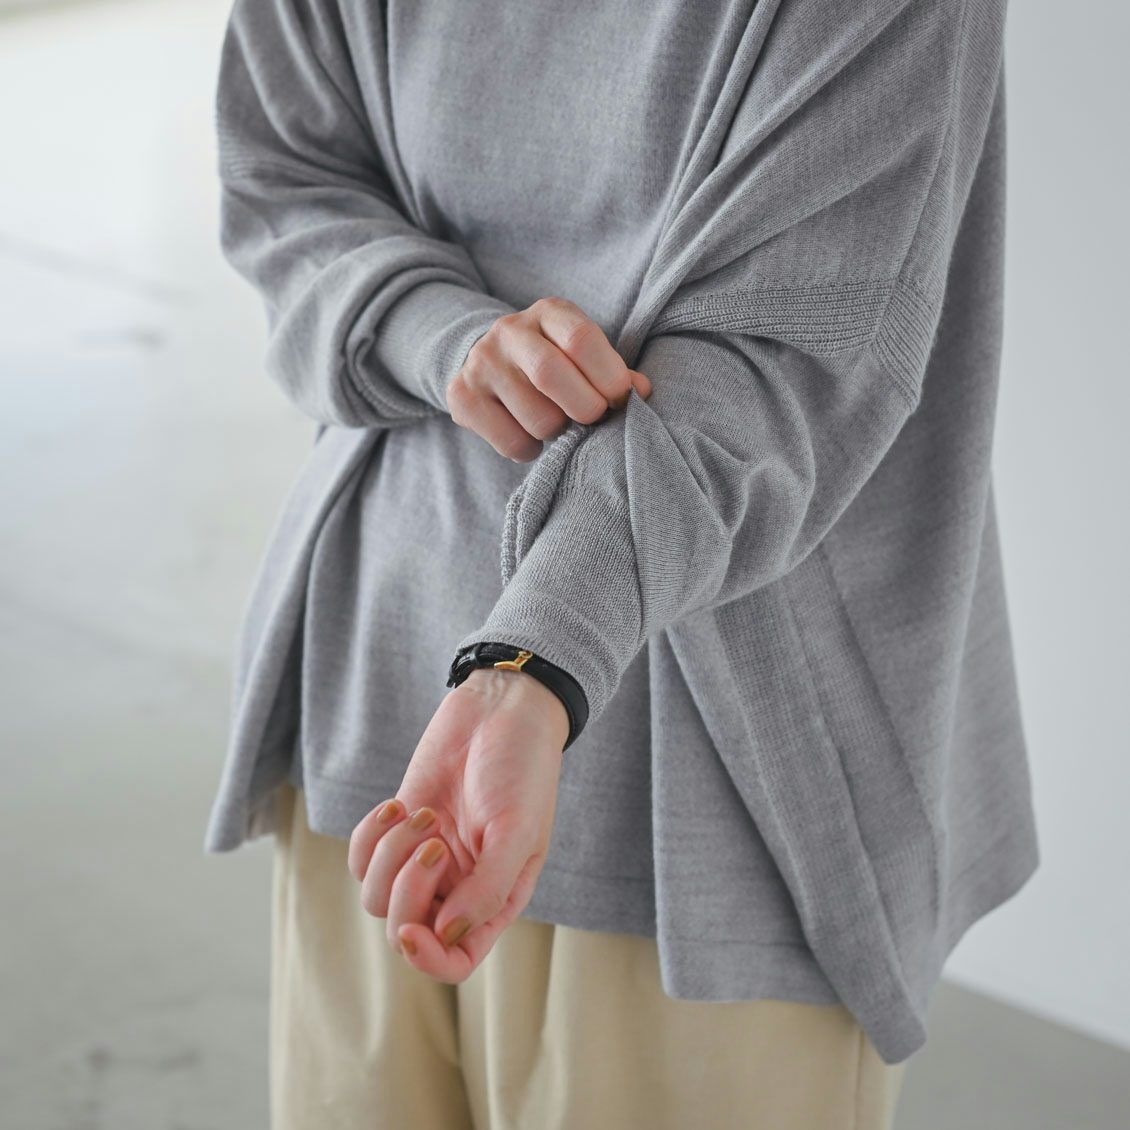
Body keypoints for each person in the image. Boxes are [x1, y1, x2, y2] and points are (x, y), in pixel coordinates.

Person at [203, 0, 1040, 1127]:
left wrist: (528, 661)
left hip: (714, 770)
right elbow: (281, 172)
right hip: (378, 689)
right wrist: (434, 330)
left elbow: (775, 364)